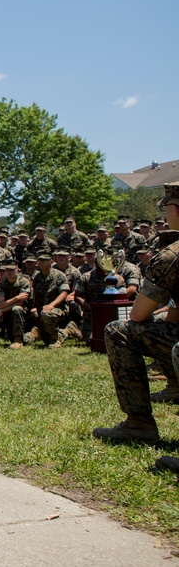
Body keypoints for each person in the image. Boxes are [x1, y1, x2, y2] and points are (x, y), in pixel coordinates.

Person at [93, 183, 179, 445]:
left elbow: (139, 315)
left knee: (119, 331)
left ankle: (138, 424)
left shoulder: (172, 255)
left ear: (175, 210)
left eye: (165, 207)